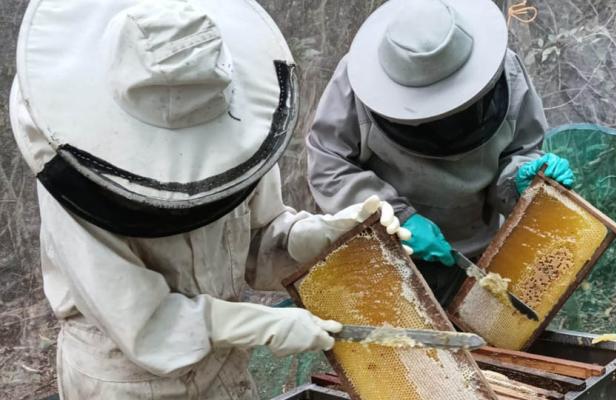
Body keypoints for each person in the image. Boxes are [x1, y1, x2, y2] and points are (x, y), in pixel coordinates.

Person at [9, 0, 410, 398]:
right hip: (129, 382)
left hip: (222, 365)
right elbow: (146, 326)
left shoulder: (239, 136)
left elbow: (261, 239)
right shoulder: (79, 179)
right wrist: (262, 325)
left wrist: (333, 233)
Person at [306, 0, 575, 304]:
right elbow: (328, 165)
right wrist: (396, 215)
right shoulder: (356, 79)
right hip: (380, 259)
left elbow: (521, 149)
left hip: (476, 258)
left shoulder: (508, 72)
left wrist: (520, 179)